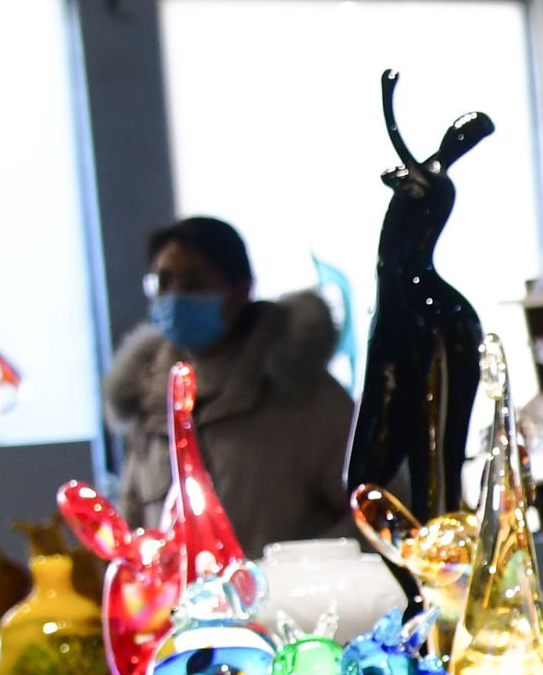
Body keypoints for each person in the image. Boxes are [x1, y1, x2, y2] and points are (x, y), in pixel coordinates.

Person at [102, 215, 357, 552]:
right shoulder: (150, 398)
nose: (175, 297)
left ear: (241, 290)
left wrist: (290, 577)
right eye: (164, 282)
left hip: (289, 603)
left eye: (194, 284)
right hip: (178, 604)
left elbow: (377, 515)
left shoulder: (304, 398)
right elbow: (134, 529)